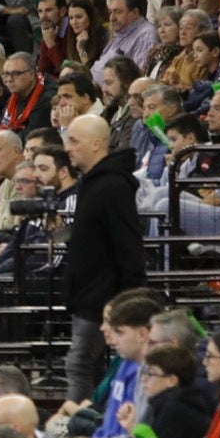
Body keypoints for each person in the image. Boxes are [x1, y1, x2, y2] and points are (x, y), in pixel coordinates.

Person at [61, 114, 146, 400]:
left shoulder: (112, 186)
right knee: (87, 366)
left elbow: (128, 246)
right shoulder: (92, 182)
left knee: (79, 363)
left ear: (97, 144)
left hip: (102, 298)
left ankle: (76, 426)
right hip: (87, 295)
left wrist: (132, 301)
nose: (67, 147)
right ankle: (92, 425)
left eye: (74, 140)